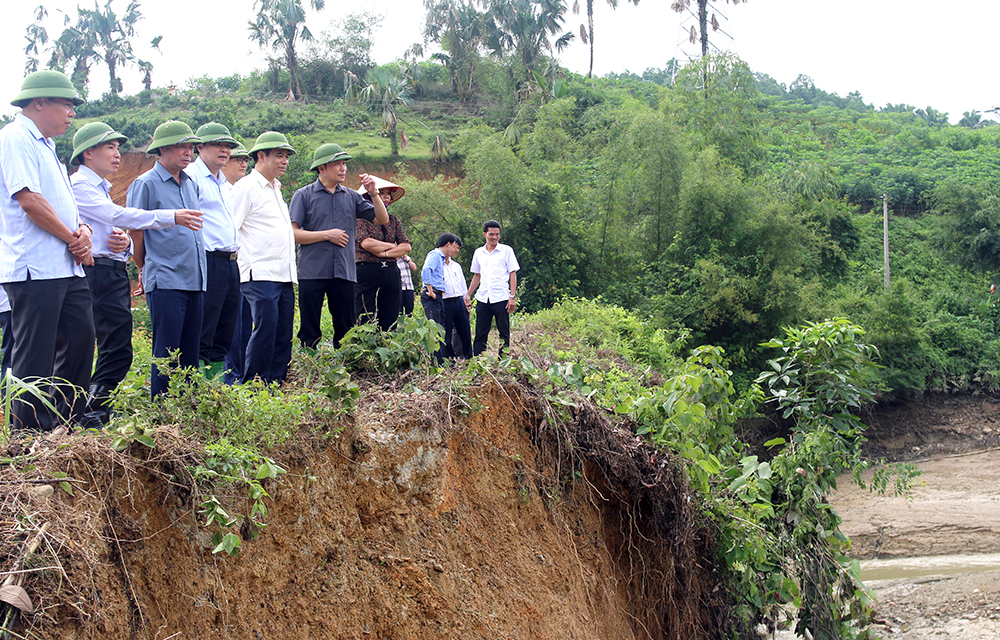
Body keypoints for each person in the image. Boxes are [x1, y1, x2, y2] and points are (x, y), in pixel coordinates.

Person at [70, 121, 203, 418]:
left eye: (118, 148)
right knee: (103, 342)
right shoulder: (80, 185)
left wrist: (126, 242)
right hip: (96, 270)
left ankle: (98, 410)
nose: (117, 154)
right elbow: (117, 215)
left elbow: (119, 231)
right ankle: (89, 411)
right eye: (110, 147)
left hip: (112, 269)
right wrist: (171, 217)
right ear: (88, 153)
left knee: (118, 344)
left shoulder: (102, 188)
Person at [0, 70, 96, 431]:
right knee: (34, 355)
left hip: (64, 266)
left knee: (80, 339)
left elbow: (63, 204)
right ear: (40, 102)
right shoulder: (15, 137)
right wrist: (73, 238)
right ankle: (27, 437)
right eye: (67, 105)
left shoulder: (46, 146)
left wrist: (82, 229)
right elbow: (29, 200)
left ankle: (66, 424)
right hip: (34, 268)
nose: (72, 113)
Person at [126, 121, 206, 397]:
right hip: (166, 277)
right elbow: (135, 230)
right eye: (181, 146)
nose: (188, 153)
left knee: (190, 352)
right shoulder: (145, 184)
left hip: (195, 279)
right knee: (167, 351)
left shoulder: (190, 183)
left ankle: (189, 409)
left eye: (190, 147)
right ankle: (162, 411)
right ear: (162, 149)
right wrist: (143, 268)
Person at [289, 143, 387, 349]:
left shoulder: (352, 196)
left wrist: (374, 193)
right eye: (338, 164)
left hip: (344, 271)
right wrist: (327, 235)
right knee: (309, 326)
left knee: (345, 326)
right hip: (311, 271)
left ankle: (344, 368)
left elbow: (382, 219)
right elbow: (293, 234)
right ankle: (310, 367)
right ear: (321, 168)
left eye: (344, 164)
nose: (343, 168)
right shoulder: (303, 195)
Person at [228, 131, 297, 384]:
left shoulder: (276, 189)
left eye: (286, 156)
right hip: (259, 273)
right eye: (279, 155)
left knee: (282, 333)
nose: (285, 161)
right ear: (261, 155)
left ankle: (276, 385)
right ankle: (254, 387)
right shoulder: (246, 187)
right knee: (264, 330)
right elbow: (231, 228)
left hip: (284, 273)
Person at [186, 123, 240, 380]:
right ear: (199, 147)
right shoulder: (191, 177)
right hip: (208, 259)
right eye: (218, 145)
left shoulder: (223, 183)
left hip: (231, 261)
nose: (225, 150)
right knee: (205, 326)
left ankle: (217, 386)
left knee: (225, 326)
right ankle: (199, 389)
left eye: (228, 146)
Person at [355, 177, 410, 331]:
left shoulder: (394, 221)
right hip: (366, 269)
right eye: (381, 193)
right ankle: (365, 350)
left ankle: (388, 348)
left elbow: (406, 247)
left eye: (387, 193)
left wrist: (384, 253)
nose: (386, 196)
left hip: (391, 269)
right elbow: (366, 244)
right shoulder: (360, 220)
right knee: (364, 314)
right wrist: (393, 247)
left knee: (391, 314)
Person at [464, 220, 520, 357]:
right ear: (484, 234)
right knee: (480, 333)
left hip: (501, 297)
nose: (494, 237)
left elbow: (513, 273)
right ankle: (478, 361)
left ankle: (503, 361)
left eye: (497, 234)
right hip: (483, 297)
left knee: (504, 333)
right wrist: (468, 294)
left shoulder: (506, 251)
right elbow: (477, 275)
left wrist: (512, 297)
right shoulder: (479, 252)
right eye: (491, 234)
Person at [420, 233, 462, 361]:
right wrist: (430, 290)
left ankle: (443, 360)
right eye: (454, 246)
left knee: (441, 327)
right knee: (435, 328)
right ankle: (435, 362)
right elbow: (426, 270)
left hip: (438, 295)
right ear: (448, 244)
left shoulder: (441, 258)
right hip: (432, 294)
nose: (455, 249)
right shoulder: (435, 254)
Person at [442, 242, 472, 359]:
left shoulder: (456, 266)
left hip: (459, 300)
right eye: (455, 247)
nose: (457, 250)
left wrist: (466, 302)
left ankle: (468, 357)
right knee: (446, 332)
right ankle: (449, 360)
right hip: (445, 301)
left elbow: (462, 285)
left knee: (465, 330)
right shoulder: (436, 264)